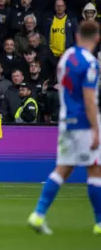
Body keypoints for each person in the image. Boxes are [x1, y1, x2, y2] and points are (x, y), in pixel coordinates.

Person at [28, 20, 101, 236]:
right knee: (95, 170)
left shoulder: (66, 58)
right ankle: (99, 223)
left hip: (65, 120)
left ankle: (38, 214)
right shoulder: (90, 63)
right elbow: (89, 99)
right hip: (84, 123)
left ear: (77, 36)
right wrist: (96, 128)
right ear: (97, 38)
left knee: (63, 169)